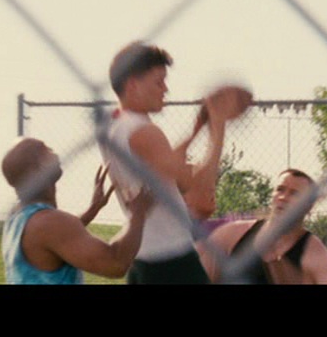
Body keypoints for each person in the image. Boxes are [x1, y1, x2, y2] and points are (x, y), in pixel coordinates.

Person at [99, 41, 251, 284]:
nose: (165, 89)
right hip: (171, 261)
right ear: (133, 85)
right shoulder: (144, 131)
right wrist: (218, 125)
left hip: (142, 257)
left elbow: (163, 167)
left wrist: (197, 130)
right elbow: (197, 186)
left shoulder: (114, 125)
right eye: (158, 82)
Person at [1, 137, 152, 284]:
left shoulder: (17, 215)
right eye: (45, 150)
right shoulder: (49, 223)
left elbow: (56, 238)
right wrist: (137, 214)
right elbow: (115, 263)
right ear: (38, 168)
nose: (55, 154)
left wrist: (93, 209)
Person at [198, 169, 327, 284]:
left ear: (308, 206)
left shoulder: (316, 257)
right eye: (280, 189)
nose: (283, 197)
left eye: (294, 194)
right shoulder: (231, 235)